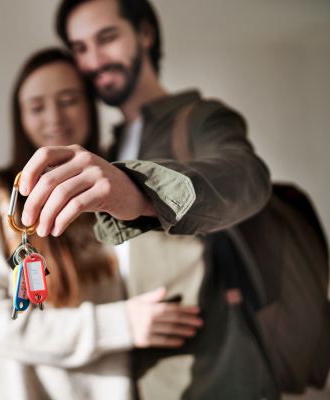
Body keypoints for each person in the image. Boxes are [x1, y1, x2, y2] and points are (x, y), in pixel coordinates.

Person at [16, 0, 279, 399]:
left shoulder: (201, 118)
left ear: (145, 34)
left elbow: (248, 177)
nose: (93, 60)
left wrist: (135, 190)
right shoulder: (103, 148)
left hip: (216, 380)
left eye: (106, 38)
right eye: (80, 48)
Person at [0, 48, 203, 400]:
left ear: (89, 105)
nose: (54, 117)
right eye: (37, 107)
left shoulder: (115, 191)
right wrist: (120, 325)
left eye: (68, 100)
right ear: (20, 117)